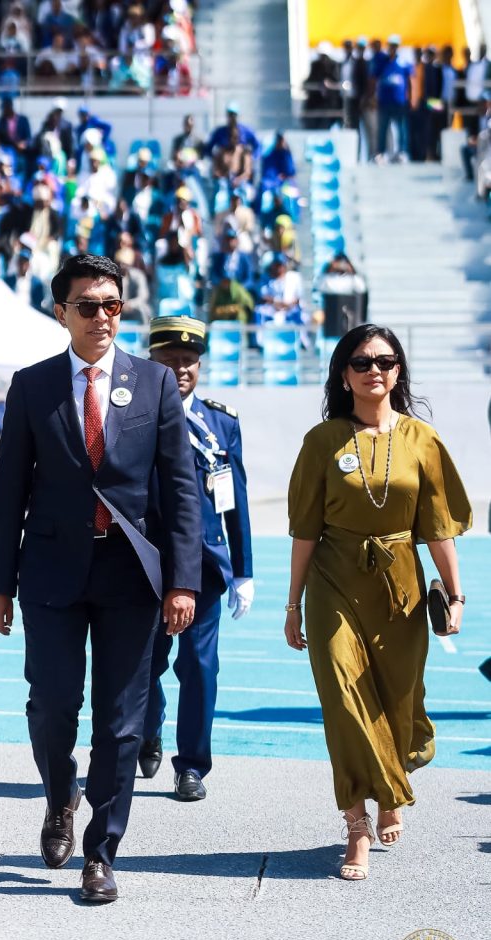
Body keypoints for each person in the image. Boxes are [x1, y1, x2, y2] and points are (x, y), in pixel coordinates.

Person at [0, 253, 201, 902]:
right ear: (61, 313)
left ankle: (100, 853)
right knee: (52, 707)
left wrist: (182, 581)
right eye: (88, 305)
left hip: (130, 573)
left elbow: (180, 491)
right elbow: (7, 491)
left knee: (121, 721)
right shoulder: (32, 386)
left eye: (113, 305)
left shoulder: (155, 384)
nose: (103, 317)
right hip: (49, 572)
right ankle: (59, 799)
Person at [285, 324, 471, 880]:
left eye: (386, 362)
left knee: (397, 701)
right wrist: (293, 604)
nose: (375, 371)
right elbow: (304, 529)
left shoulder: (423, 440)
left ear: (398, 371)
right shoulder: (322, 442)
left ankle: (391, 784)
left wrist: (455, 594)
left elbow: (438, 527)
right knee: (344, 700)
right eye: (362, 362)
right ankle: (356, 826)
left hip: (402, 590)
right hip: (333, 583)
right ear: (343, 373)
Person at [140, 317, 253, 797]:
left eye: (188, 361)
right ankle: (147, 729)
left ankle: (191, 766)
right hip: (142, 561)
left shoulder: (220, 422)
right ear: (152, 362)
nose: (180, 370)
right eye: (169, 361)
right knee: (141, 663)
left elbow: (236, 499)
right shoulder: (132, 414)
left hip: (204, 564)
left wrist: (244, 570)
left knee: (200, 666)